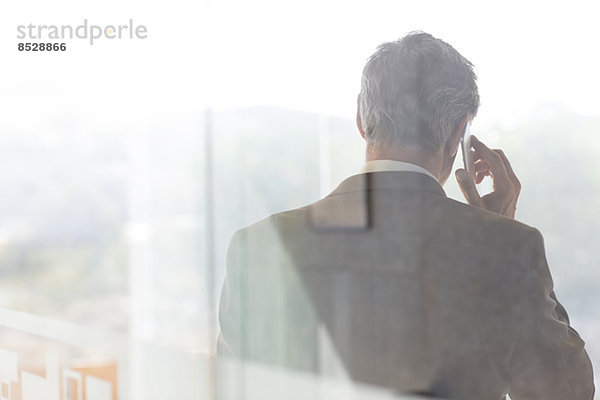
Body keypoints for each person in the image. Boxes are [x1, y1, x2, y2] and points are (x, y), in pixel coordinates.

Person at [217, 31, 594, 399]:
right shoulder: (506, 249)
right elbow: (566, 391)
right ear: (456, 135)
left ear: (362, 121)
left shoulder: (258, 246)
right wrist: (502, 234)